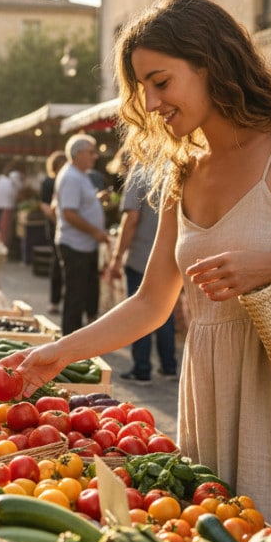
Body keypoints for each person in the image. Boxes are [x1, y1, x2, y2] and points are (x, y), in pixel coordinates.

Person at [0, 0, 271, 542]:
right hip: (207, 392)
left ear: (210, 62)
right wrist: (60, 353)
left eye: (161, 82)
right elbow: (152, 302)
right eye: (143, 89)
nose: (151, 104)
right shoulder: (185, 171)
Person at [106, 161, 177, 383]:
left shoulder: (140, 171)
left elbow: (131, 218)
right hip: (170, 256)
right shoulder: (172, 167)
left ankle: (142, 368)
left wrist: (117, 258)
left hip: (141, 255)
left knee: (140, 309)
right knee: (165, 311)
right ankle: (169, 366)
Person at [53, 133, 108, 335]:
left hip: (82, 245)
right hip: (75, 244)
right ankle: (69, 339)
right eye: (91, 152)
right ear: (78, 154)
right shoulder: (71, 177)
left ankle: (74, 338)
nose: (95, 156)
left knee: (81, 292)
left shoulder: (79, 174)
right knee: (75, 295)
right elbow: (69, 213)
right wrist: (94, 231)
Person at [38, 151, 68, 315]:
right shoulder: (49, 182)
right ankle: (54, 300)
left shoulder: (69, 180)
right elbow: (44, 204)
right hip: (55, 227)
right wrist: (56, 219)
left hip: (67, 227)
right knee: (57, 263)